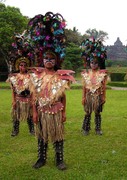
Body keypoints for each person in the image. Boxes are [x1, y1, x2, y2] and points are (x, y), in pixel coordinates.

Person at [28, 12, 75, 170]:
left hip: (56, 111)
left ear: (56, 61)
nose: (48, 61)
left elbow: (63, 98)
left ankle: (59, 160)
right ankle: (41, 158)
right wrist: (34, 112)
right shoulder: (36, 76)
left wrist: (63, 113)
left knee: (57, 135)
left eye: (52, 59)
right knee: (41, 135)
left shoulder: (61, 77)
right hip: (41, 110)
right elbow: (34, 96)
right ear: (42, 60)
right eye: (46, 58)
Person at [6, 32, 35, 137]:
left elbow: (32, 90)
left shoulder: (31, 77)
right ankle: (15, 131)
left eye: (25, 65)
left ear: (27, 66)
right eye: (21, 65)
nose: (23, 67)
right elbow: (13, 90)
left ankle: (32, 130)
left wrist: (32, 100)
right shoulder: (14, 77)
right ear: (18, 66)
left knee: (30, 116)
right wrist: (13, 100)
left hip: (27, 99)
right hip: (18, 99)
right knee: (16, 116)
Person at [80, 38, 108, 135]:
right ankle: (86, 129)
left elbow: (103, 86)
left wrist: (103, 97)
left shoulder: (102, 74)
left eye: (96, 63)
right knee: (87, 112)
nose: (93, 64)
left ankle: (98, 129)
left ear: (99, 63)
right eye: (92, 62)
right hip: (88, 96)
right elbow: (84, 86)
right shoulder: (86, 74)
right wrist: (83, 97)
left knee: (97, 112)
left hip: (98, 96)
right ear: (89, 63)